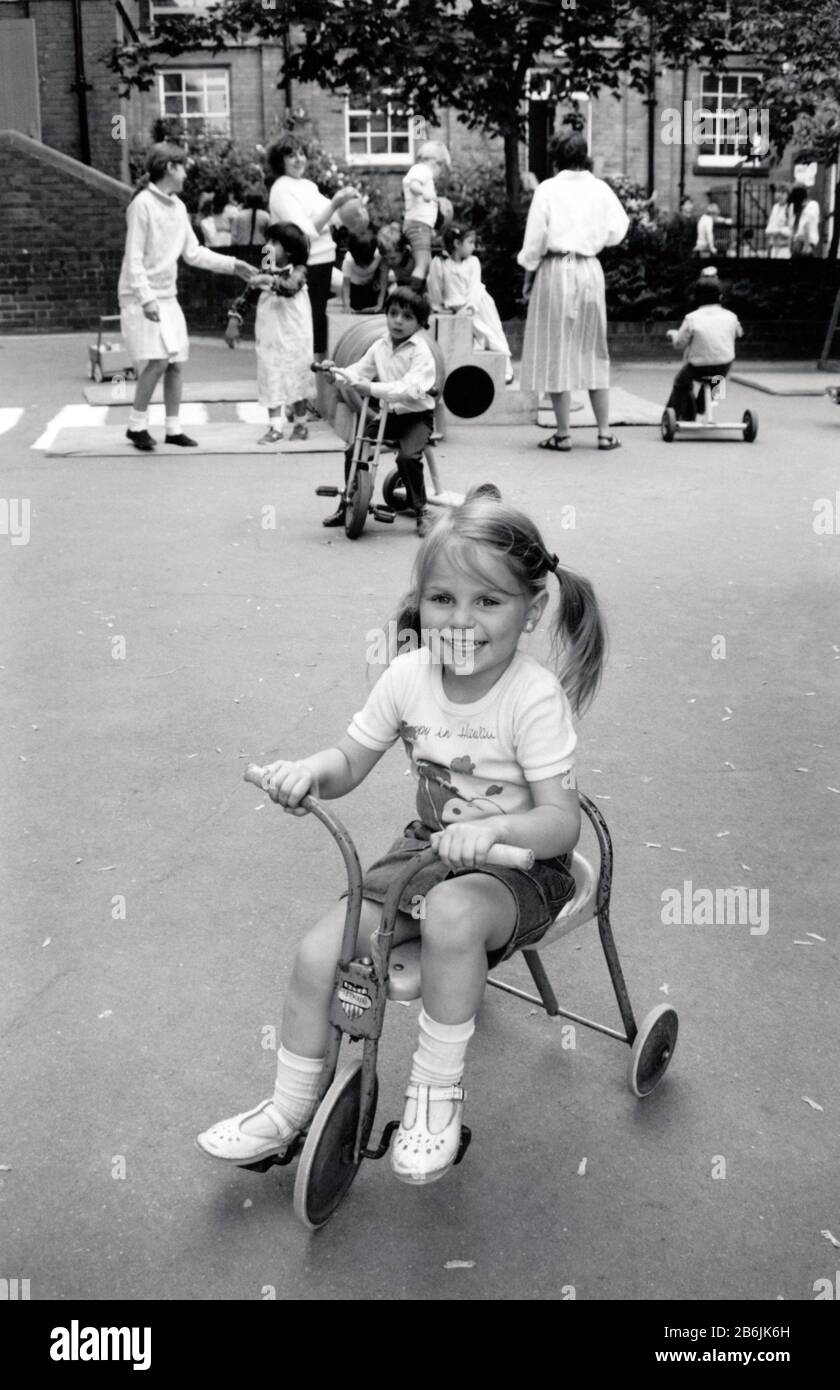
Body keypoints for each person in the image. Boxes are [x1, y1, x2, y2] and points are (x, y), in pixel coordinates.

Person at [197, 489, 605, 1187]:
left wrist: (497, 829)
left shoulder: (533, 697)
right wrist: (305, 774)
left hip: (524, 865)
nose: (461, 621)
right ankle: (291, 1108)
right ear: (418, 601)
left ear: (532, 610)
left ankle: (435, 1096)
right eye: (442, 599)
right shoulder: (407, 677)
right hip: (426, 851)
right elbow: (348, 761)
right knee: (319, 949)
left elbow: (560, 822)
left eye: (490, 602)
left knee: (450, 916)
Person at [118, 142, 256, 452]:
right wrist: (146, 299)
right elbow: (134, 258)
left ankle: (173, 428)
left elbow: (193, 253)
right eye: (183, 167)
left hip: (167, 295)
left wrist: (234, 265)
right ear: (170, 168)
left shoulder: (178, 207)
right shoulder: (141, 205)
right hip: (141, 295)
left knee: (176, 361)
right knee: (158, 360)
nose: (186, 174)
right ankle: (135, 425)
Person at [517, 131, 629, 452]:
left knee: (557, 347)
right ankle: (604, 432)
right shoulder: (601, 188)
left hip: (557, 266)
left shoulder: (548, 189)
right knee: (594, 347)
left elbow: (535, 240)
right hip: (589, 268)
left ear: (556, 157)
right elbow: (618, 228)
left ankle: (564, 433)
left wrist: (528, 275)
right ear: (585, 155)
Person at [319, 287, 436, 532]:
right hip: (389, 416)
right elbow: (358, 372)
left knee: (407, 457)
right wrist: (335, 374)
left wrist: (371, 389)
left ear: (419, 323)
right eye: (393, 313)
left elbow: (408, 389)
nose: (398, 321)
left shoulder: (421, 352)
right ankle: (348, 503)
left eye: (407, 317)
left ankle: (421, 510)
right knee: (354, 452)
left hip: (416, 417)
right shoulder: (380, 346)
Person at [265, 135, 360, 361]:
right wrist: (335, 204)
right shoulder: (281, 189)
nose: (298, 159)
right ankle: (307, 385)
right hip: (307, 266)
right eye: (291, 155)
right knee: (310, 326)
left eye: (300, 153)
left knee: (320, 321)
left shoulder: (307, 185)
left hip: (325, 261)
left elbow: (334, 217)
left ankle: (317, 383)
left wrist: (349, 205)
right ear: (281, 161)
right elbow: (302, 234)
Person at [224, 222, 313, 445]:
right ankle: (275, 427)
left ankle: (301, 423)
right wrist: (235, 319)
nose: (268, 246)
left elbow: (290, 287)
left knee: (297, 373)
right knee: (270, 372)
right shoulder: (265, 269)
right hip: (270, 333)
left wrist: (269, 281)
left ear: (290, 250)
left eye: (274, 242)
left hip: (295, 333)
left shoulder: (299, 270)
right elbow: (247, 295)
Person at [427, 225, 514, 383]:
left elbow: (475, 288)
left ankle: (506, 368)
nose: (474, 246)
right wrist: (439, 306)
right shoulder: (441, 263)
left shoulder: (473, 262)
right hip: (455, 309)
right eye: (470, 242)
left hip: (478, 305)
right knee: (468, 342)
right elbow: (435, 288)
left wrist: (470, 308)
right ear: (456, 243)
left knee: (492, 334)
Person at [664, 276, 743, 420]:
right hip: (723, 366)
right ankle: (704, 404)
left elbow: (679, 344)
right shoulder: (731, 317)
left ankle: (674, 414)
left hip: (698, 367)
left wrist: (674, 334)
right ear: (720, 296)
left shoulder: (692, 318)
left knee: (681, 382)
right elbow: (739, 333)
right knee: (717, 379)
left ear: (697, 298)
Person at [402, 140, 451, 291]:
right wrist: (424, 192)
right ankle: (411, 300)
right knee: (422, 265)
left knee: (426, 263)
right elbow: (414, 186)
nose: (438, 175)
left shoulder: (420, 170)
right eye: (441, 169)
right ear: (437, 162)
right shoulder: (422, 169)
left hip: (420, 225)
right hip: (418, 225)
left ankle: (420, 296)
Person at [341, 228, 383, 312]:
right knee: (357, 305)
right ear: (353, 255)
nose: (364, 267)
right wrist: (347, 305)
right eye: (360, 263)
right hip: (355, 287)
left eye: (366, 263)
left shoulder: (378, 256)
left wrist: (380, 304)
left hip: (371, 286)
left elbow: (383, 280)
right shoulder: (349, 260)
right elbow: (346, 285)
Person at [787, 184, 821, 258]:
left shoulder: (812, 205)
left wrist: (806, 246)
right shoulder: (792, 207)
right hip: (796, 244)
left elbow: (807, 226)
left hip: (807, 244)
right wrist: (790, 245)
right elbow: (792, 229)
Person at [765, 186, 791, 259]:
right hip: (774, 246)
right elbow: (769, 226)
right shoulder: (775, 207)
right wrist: (772, 230)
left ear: (788, 195)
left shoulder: (790, 208)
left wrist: (779, 230)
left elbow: (791, 230)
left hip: (785, 248)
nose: (780, 195)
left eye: (783, 193)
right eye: (779, 192)